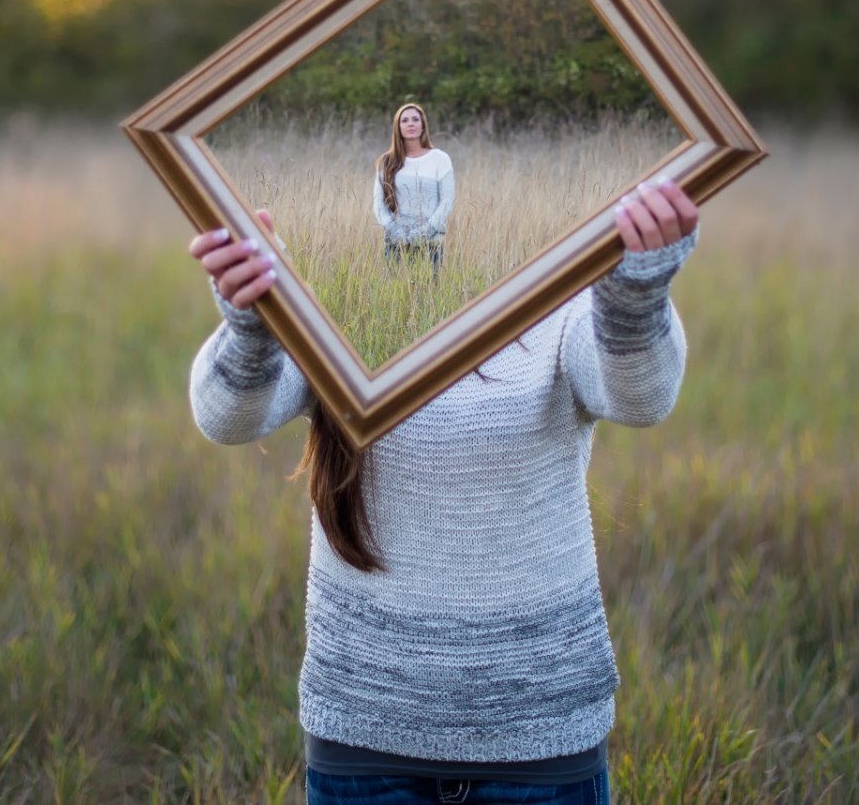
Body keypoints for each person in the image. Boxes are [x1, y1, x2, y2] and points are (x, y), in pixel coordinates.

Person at [186, 175, 701, 804]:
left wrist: (635, 294)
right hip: (363, 739)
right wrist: (253, 325)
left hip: (539, 740)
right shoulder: (338, 291)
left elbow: (641, 397)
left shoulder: (558, 286)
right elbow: (227, 416)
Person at [372, 102, 455, 271]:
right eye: (405, 120)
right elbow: (378, 204)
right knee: (395, 294)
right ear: (398, 127)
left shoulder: (440, 159)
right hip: (396, 244)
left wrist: (424, 232)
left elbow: (447, 201)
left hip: (431, 244)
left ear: (423, 125)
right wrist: (395, 231)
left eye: (416, 119)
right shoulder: (386, 161)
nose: (410, 123)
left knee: (430, 295)